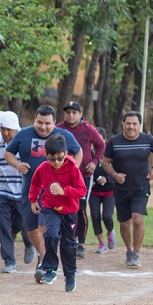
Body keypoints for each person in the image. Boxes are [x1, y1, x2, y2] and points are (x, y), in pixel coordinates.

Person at [5, 105, 82, 282]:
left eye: (47, 123)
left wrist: (72, 171)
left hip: (54, 194)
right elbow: (8, 152)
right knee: (31, 230)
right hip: (30, 192)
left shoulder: (64, 136)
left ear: (54, 122)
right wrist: (17, 165)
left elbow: (78, 152)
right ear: (34, 120)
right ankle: (43, 255)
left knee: (43, 227)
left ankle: (46, 264)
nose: (43, 127)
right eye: (39, 122)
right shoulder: (24, 134)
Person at [101, 111, 153, 267]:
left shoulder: (147, 139)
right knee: (124, 223)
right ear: (123, 124)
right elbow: (105, 162)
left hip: (141, 187)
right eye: (128, 123)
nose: (131, 126)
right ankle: (128, 249)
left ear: (139, 125)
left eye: (134, 123)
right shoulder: (114, 142)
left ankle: (136, 253)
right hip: (121, 188)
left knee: (137, 219)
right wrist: (115, 175)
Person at [29, 134, 86, 292]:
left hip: (69, 211)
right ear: (46, 155)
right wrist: (33, 200)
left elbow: (82, 190)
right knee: (51, 234)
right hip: (50, 208)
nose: (56, 163)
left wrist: (64, 191)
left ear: (66, 154)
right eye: (52, 159)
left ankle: (70, 275)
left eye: (60, 158)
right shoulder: (43, 168)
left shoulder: (72, 168)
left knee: (68, 245)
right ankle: (50, 269)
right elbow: (35, 183)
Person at [0, 111, 35, 273]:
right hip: (1, 191)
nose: (6, 133)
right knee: (3, 227)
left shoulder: (26, 142)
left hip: (22, 192)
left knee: (23, 224)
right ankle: (9, 261)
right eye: (3, 129)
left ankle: (29, 243)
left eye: (9, 130)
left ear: (16, 129)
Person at [56, 101, 105, 259]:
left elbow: (101, 146)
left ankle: (80, 242)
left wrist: (94, 162)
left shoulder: (89, 129)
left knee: (80, 208)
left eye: (74, 112)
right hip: (62, 175)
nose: (71, 115)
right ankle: (67, 239)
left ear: (80, 113)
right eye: (68, 112)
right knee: (62, 207)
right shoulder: (58, 128)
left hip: (83, 175)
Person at [89, 127, 116, 254]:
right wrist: (93, 179)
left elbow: (117, 173)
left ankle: (110, 231)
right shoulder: (87, 154)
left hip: (109, 192)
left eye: (99, 138)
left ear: (104, 140)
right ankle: (101, 242)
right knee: (95, 216)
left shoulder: (111, 154)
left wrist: (107, 179)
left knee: (107, 216)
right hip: (94, 192)